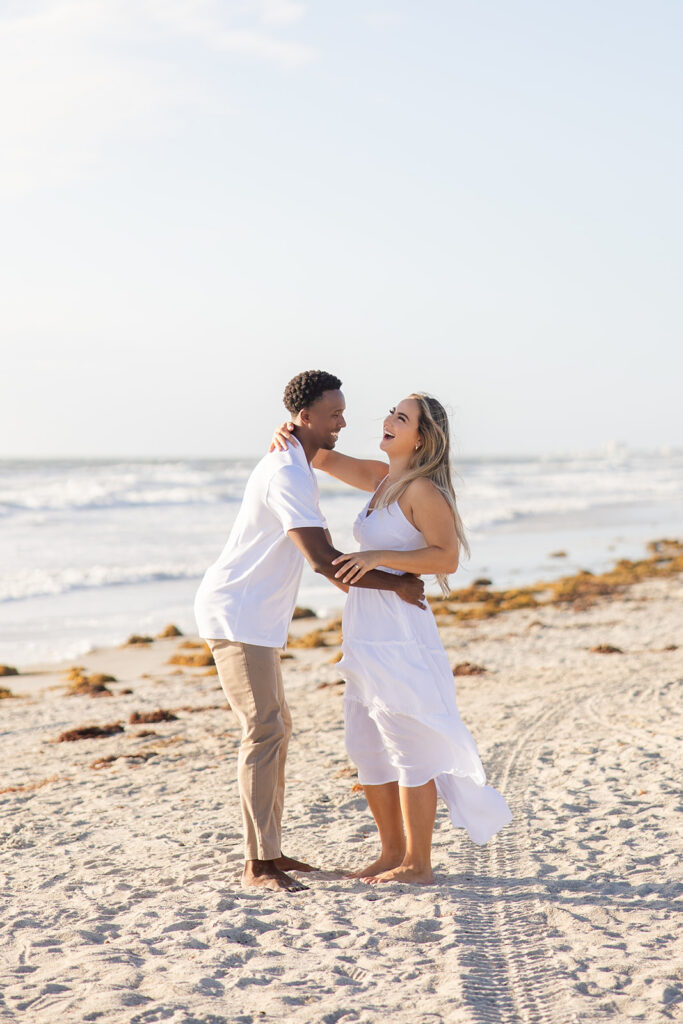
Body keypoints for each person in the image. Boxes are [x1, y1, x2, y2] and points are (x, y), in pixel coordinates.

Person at [194, 370, 426, 893]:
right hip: (236, 613)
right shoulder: (287, 473)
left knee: (276, 728)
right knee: (264, 730)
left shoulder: (298, 461)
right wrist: (397, 586)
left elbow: (325, 471)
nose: (344, 422)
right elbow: (322, 559)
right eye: (335, 414)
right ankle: (258, 865)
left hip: (256, 617)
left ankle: (270, 854)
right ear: (306, 417)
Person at [271, 393, 512, 885]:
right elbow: (317, 454)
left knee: (409, 743)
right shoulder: (383, 481)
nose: (387, 421)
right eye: (391, 413)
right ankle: (391, 853)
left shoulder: (421, 491)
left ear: (420, 438)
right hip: (365, 629)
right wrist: (285, 433)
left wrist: (379, 556)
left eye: (401, 419)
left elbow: (445, 558)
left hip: (400, 631)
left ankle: (418, 863)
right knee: (366, 743)